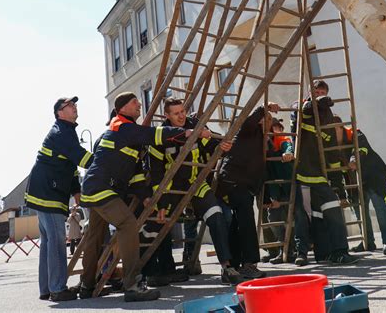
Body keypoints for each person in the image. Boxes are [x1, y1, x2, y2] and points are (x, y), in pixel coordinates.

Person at [79, 92, 189, 302]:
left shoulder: (125, 132)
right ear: (122, 108)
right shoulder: (122, 126)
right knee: (128, 225)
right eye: (134, 102)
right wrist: (187, 132)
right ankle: (132, 285)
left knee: (94, 238)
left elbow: (136, 173)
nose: (139, 105)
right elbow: (155, 135)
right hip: (103, 188)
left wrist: (145, 197)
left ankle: (87, 285)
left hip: (95, 188)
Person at [147, 98, 242, 285]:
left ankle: (226, 267)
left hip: (197, 184)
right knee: (162, 223)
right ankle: (164, 271)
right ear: (167, 116)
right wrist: (161, 204)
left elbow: (213, 144)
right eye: (176, 113)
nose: (181, 116)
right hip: (172, 190)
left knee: (217, 215)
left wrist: (222, 147)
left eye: (183, 111)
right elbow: (156, 174)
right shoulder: (161, 136)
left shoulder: (196, 124)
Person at [25, 96, 93, 302]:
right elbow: (81, 158)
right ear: (59, 113)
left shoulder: (67, 132)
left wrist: (77, 193)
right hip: (48, 194)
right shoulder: (61, 132)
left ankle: (47, 288)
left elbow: (70, 167)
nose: (74, 107)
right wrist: (105, 160)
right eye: (69, 105)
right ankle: (57, 288)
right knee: (55, 242)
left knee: (48, 243)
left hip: (44, 191)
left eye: (75, 104)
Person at [294, 90, 358, 266]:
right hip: (302, 179)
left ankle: (334, 253)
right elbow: (298, 110)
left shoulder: (327, 128)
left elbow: (332, 160)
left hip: (320, 180)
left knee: (327, 213)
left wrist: (339, 189)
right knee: (304, 217)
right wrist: (315, 101)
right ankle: (303, 253)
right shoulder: (302, 116)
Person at [217, 102, 280, 278]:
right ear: (259, 121)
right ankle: (249, 264)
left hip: (244, 185)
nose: (270, 121)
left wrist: (265, 197)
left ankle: (235, 265)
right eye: (266, 119)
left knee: (238, 224)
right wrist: (263, 107)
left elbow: (261, 170)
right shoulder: (248, 131)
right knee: (246, 222)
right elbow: (248, 121)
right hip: (233, 182)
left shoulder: (263, 140)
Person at [334, 121, 386, 255]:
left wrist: (354, 159)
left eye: (335, 130)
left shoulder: (355, 133)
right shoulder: (331, 143)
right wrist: (342, 195)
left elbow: (361, 148)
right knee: (359, 211)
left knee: (380, 207)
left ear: (341, 127)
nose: (333, 133)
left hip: (372, 177)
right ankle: (368, 242)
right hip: (354, 182)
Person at [265, 118, 295, 264]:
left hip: (289, 184)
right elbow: (268, 172)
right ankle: (284, 250)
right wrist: (273, 197)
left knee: (294, 217)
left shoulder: (280, 139)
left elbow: (288, 145)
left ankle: (295, 249)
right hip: (274, 187)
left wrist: (288, 153)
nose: (276, 130)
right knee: (274, 218)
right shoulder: (261, 143)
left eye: (277, 127)